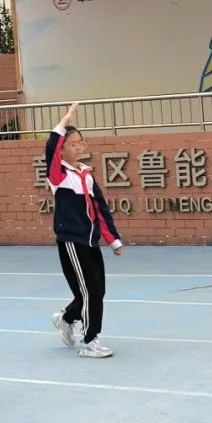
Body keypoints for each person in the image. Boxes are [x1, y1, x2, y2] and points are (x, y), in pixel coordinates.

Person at [45, 102, 124, 359]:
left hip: (91, 241)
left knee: (96, 291)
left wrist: (113, 240)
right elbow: (50, 148)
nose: (78, 147)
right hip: (72, 240)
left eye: (81, 142)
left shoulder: (86, 175)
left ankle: (66, 318)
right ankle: (90, 341)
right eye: (73, 143)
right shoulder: (58, 175)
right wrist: (64, 121)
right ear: (63, 148)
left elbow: (100, 209)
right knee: (89, 291)